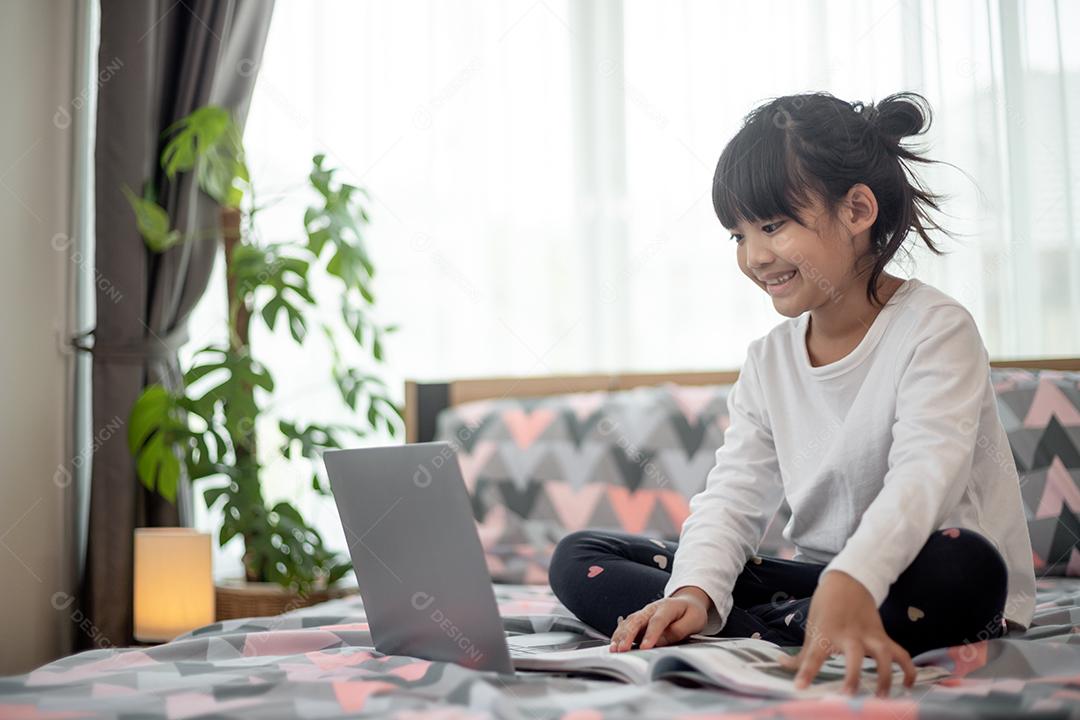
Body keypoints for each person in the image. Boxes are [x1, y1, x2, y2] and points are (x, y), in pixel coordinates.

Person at [547, 92, 1036, 697]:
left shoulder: (936, 328)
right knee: (580, 553)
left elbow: (925, 476)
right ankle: (774, 626)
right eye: (737, 235)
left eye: (773, 226)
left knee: (967, 564)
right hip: (816, 583)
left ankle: (779, 628)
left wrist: (854, 579)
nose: (754, 257)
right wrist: (695, 592)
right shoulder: (768, 360)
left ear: (857, 209)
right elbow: (734, 494)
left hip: (919, 574)